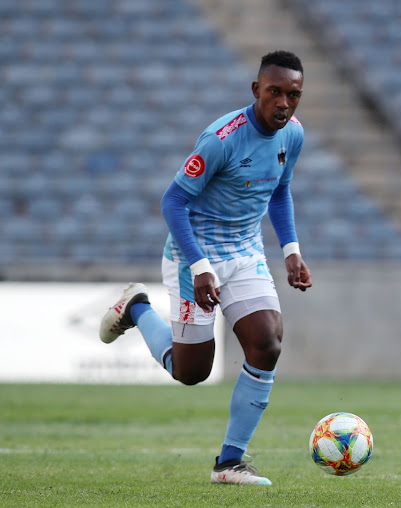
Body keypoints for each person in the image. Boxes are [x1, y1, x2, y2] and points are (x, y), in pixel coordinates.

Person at [99, 50, 312, 485]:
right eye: (275, 92)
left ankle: (230, 462)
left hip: (246, 252)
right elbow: (173, 201)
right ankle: (137, 308)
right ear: (256, 90)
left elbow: (279, 190)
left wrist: (290, 249)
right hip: (194, 255)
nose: (284, 104)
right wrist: (199, 267)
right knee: (191, 372)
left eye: (294, 95)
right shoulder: (221, 138)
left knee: (267, 342)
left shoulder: (293, 134)